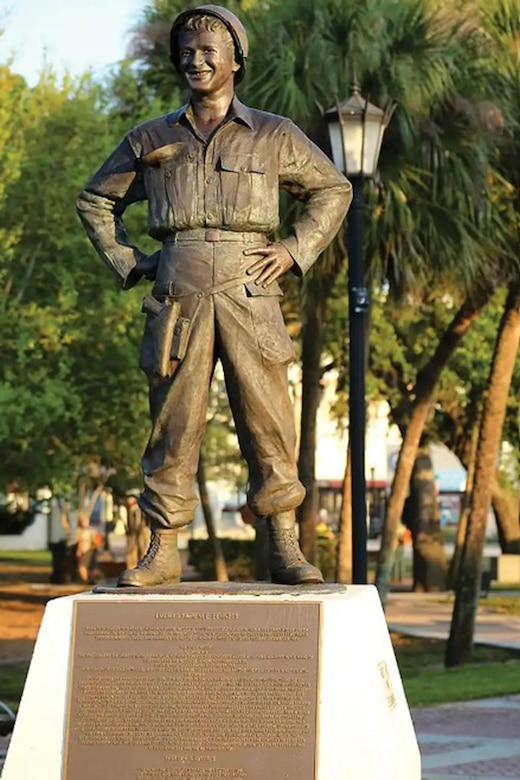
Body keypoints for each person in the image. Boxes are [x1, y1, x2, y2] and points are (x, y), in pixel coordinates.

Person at [77, 5, 352, 588]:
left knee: (268, 417)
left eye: (209, 51)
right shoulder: (150, 137)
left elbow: (332, 189)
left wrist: (295, 250)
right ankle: (163, 548)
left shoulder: (274, 134)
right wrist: (131, 263)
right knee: (173, 423)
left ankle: (283, 544)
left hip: (251, 285)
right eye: (187, 50)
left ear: (235, 61)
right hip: (178, 287)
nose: (196, 60)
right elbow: (95, 201)